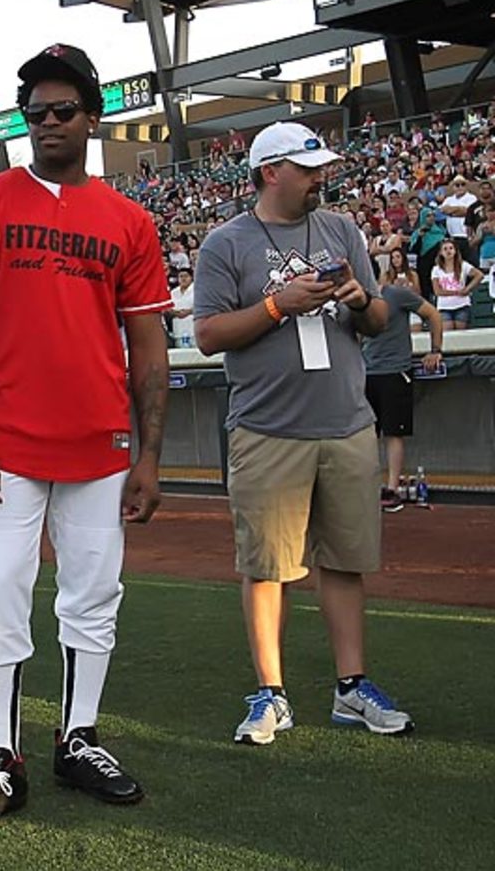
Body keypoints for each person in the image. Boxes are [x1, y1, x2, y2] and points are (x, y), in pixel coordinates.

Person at [0, 44, 171, 838]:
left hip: (99, 446)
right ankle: (0, 755)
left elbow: (149, 346)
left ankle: (79, 738)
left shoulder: (128, 221)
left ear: (92, 116)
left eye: (62, 110)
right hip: (4, 442)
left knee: (94, 594)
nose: (47, 124)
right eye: (33, 114)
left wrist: (150, 454)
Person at [193, 121, 413, 747]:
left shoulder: (342, 228)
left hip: (346, 423)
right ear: (271, 172)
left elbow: (374, 317)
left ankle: (352, 688)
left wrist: (356, 299)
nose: (321, 177)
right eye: (308, 167)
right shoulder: (225, 244)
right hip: (267, 429)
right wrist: (275, 306)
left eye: (321, 167)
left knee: (345, 562)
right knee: (267, 568)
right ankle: (271, 693)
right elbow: (207, 336)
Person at [363, 282, 444, 513]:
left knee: (393, 431)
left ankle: (392, 489)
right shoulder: (358, 298)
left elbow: (433, 314)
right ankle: (368, 488)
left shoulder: (396, 295)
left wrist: (435, 350)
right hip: (367, 371)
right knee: (367, 434)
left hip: (395, 370)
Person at [431, 239, 481, 330]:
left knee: (461, 333)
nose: (448, 251)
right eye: (445, 249)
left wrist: (467, 289)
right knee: (448, 333)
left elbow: (479, 275)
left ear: (455, 251)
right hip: (444, 306)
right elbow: (437, 291)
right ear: (441, 253)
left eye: (451, 248)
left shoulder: (463, 265)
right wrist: (456, 292)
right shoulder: (436, 269)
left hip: (462, 305)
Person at [440, 176, 477, 263]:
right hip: (453, 237)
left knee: (470, 262)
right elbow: (443, 210)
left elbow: (468, 212)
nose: (460, 187)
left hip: (467, 237)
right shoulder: (449, 199)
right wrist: (459, 209)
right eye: (457, 185)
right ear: (453, 187)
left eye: (462, 184)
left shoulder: (471, 198)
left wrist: (451, 211)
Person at [169, 267, 196, 347]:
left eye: (186, 276)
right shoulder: (173, 292)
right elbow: (167, 308)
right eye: (181, 276)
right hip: (178, 330)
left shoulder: (197, 290)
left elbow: (202, 306)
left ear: (191, 277)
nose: (183, 279)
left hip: (193, 329)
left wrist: (189, 311)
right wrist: (176, 313)